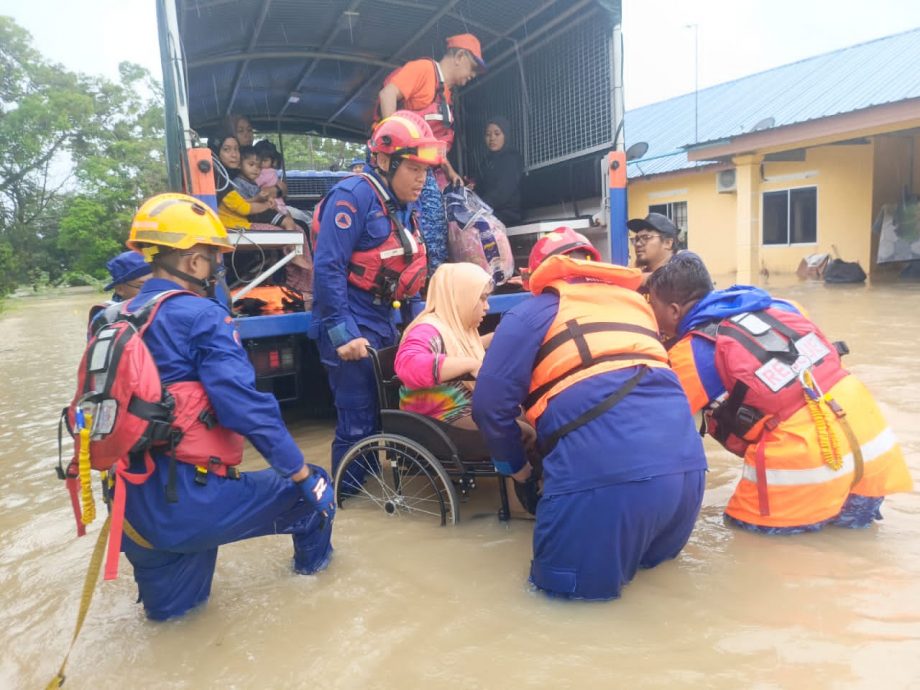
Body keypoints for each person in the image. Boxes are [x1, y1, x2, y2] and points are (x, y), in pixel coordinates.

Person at [112, 192, 334, 621]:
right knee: (315, 494)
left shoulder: (111, 318)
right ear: (194, 261)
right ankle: (317, 598)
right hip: (189, 503)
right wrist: (301, 473)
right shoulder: (201, 316)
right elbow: (245, 408)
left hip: (131, 510)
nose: (216, 267)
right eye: (213, 257)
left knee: (176, 626)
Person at [471, 227, 707, 600]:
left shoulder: (532, 312)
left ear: (538, 276)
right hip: (689, 476)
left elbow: (488, 404)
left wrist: (516, 467)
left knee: (560, 610)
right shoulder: (638, 308)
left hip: (606, 481)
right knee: (657, 596)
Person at [647, 252, 913, 534]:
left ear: (675, 311)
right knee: (852, 542)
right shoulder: (782, 305)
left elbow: (655, 426)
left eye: (652, 307)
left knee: (747, 545)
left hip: (805, 460)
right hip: (869, 439)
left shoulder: (692, 353)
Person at [311, 110, 445, 480]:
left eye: (426, 171)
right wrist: (342, 333)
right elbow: (328, 268)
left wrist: (423, 327)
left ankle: (383, 497)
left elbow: (410, 271)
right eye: (413, 169)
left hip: (386, 318)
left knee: (392, 414)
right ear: (384, 160)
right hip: (351, 318)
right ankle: (348, 503)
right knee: (358, 423)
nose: (422, 179)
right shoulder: (352, 197)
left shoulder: (404, 207)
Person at [377, 33, 486, 274]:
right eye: (472, 67)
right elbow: (387, 95)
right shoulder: (423, 70)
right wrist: (394, 147)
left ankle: (428, 280)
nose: (472, 76)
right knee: (419, 227)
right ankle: (426, 280)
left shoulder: (445, 94)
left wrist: (448, 170)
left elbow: (431, 139)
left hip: (424, 165)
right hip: (401, 162)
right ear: (459, 56)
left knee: (433, 228)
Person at [233, 145, 297, 230]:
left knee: (288, 216)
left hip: (260, 212)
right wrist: (258, 198)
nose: (256, 169)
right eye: (251, 165)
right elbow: (240, 205)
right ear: (239, 165)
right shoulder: (237, 183)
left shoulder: (253, 183)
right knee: (289, 222)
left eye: (259, 167)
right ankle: (291, 243)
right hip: (255, 215)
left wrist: (269, 200)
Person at [88, 250, 153, 333]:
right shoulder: (106, 318)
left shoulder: (166, 307)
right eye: (143, 286)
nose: (153, 291)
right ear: (120, 289)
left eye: (157, 283)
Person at [476, 116, 523, 226]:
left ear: (505, 135)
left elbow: (503, 190)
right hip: (489, 211)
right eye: (488, 135)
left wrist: (481, 206)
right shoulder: (486, 162)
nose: (492, 138)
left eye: (497, 134)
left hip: (508, 214)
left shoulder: (512, 158)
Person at [628, 212, 679, 290]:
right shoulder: (636, 281)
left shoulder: (683, 280)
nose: (637, 244)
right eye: (636, 239)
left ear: (668, 243)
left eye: (646, 237)